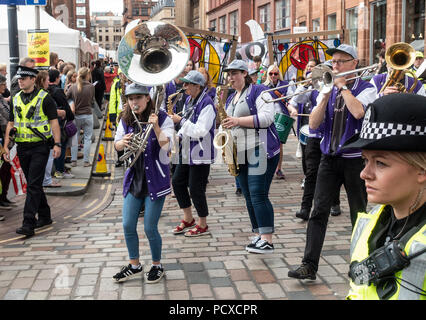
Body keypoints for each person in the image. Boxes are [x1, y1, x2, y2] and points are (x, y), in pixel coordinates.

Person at [288, 44, 377, 279]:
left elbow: (358, 113)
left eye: (340, 62)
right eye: (333, 62)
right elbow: (315, 124)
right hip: (329, 158)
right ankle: (309, 264)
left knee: (359, 214)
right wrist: (326, 94)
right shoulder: (327, 89)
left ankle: (360, 263)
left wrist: (343, 88)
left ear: (354, 64)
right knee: (318, 211)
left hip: (355, 160)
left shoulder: (367, 88)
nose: (334, 66)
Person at [342, 93, 426, 300]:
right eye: (365, 161)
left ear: (422, 170)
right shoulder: (369, 222)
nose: (364, 174)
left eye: (380, 163)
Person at [112, 83, 174, 283]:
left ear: (147, 98)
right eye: (130, 99)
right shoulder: (126, 118)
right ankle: (134, 265)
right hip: (134, 178)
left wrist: (155, 127)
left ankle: (157, 265)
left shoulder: (163, 117)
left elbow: (168, 147)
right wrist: (123, 143)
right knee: (128, 224)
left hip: (155, 178)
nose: (133, 102)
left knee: (149, 227)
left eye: (137, 98)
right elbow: (117, 143)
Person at [222, 59, 280, 253]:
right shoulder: (231, 98)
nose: (230, 77)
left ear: (245, 74)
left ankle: (267, 239)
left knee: (258, 194)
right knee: (248, 195)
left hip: (259, 147)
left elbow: (266, 119)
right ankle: (258, 234)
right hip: (240, 151)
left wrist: (237, 120)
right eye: (228, 74)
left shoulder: (259, 91)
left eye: (235, 73)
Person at [3, 65, 62, 237]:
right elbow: (11, 123)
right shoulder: (15, 98)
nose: (19, 81)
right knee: (33, 184)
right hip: (22, 147)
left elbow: (54, 123)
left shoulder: (45, 98)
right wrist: (6, 145)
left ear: (32, 80)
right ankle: (45, 215)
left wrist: (57, 144)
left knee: (34, 185)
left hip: (40, 147)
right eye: (18, 79)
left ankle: (28, 223)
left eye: (23, 78)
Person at [289, 60, 342, 220]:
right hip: (314, 136)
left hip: (331, 135)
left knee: (331, 172)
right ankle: (305, 208)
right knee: (311, 173)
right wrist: (306, 83)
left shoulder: (336, 89)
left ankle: (335, 202)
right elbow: (296, 100)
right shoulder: (312, 89)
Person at [170, 70, 216, 237]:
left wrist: (180, 121)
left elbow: (201, 130)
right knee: (177, 182)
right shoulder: (189, 99)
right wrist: (179, 135)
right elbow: (188, 123)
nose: (184, 86)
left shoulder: (207, 103)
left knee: (196, 189)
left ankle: (202, 224)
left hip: (201, 152)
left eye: (188, 84)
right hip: (187, 150)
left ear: (197, 86)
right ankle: (188, 218)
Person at [263, 64, 297, 179]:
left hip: (282, 117)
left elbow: (291, 100)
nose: (273, 75)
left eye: (275, 73)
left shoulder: (286, 85)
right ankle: (266, 168)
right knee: (265, 143)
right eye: (271, 73)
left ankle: (278, 168)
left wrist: (290, 106)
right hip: (268, 118)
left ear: (279, 74)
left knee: (279, 145)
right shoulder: (263, 87)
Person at [34, 71, 63, 189]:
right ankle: (46, 180)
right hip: (45, 132)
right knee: (49, 156)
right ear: (42, 81)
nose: (48, 83)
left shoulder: (36, 94)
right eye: (46, 80)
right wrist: (60, 112)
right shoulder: (43, 95)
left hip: (37, 133)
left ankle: (44, 180)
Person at [47, 69, 75, 180]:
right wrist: (70, 117)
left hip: (47, 124)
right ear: (57, 78)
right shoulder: (57, 91)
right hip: (59, 123)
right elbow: (66, 107)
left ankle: (57, 169)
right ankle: (59, 170)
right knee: (61, 145)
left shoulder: (45, 91)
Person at [66, 67, 94, 167]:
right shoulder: (91, 86)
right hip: (88, 115)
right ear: (87, 75)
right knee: (87, 138)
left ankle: (74, 161)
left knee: (74, 138)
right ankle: (86, 161)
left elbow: (66, 97)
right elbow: (92, 101)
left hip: (76, 116)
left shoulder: (73, 87)